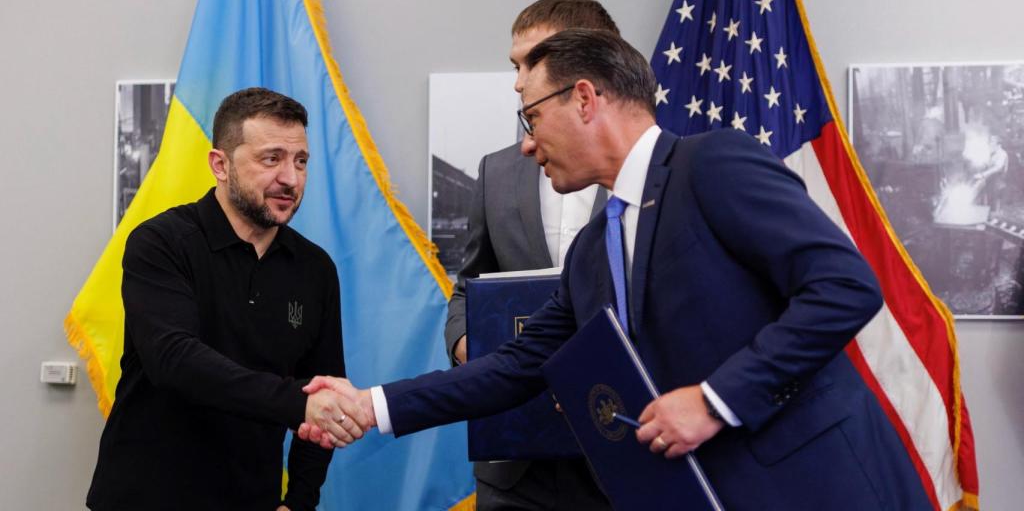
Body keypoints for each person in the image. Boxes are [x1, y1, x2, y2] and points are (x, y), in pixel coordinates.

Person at [304, 31, 933, 509]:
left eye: (529, 116)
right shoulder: (589, 255)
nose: (525, 143)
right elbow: (515, 367)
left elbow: (844, 286)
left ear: (584, 99)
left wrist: (715, 401)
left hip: (818, 486)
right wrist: (371, 404)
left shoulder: (711, 165)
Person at [87, 88, 369, 511]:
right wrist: (298, 404)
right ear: (220, 164)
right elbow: (176, 360)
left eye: (301, 161)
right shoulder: (160, 243)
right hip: (144, 496)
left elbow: (321, 390)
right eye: (271, 158)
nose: (290, 179)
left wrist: (300, 501)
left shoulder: (315, 269)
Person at [443, 0, 615, 511]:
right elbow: (465, 289)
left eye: (531, 63)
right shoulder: (497, 171)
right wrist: (467, 346)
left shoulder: (659, 175)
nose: (518, 81)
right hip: (515, 469)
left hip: (622, 455)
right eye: (514, 66)